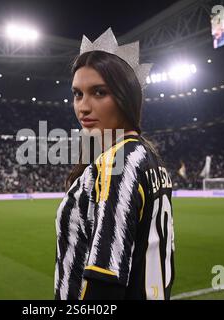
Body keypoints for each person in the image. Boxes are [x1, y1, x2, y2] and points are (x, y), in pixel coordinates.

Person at [54, 28, 175, 300]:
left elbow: (105, 282)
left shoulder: (117, 163)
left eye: (99, 93)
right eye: (77, 94)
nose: (83, 107)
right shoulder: (146, 156)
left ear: (125, 98)